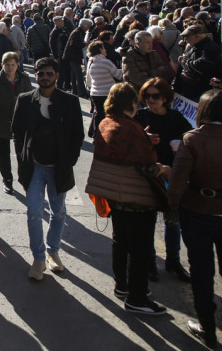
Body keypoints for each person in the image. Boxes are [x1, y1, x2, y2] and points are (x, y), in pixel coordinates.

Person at [86, 83, 169, 316]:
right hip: (137, 197)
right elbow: (146, 167)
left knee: (120, 241)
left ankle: (122, 286)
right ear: (131, 103)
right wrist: (163, 169)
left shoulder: (105, 122)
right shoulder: (131, 128)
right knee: (140, 249)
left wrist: (144, 137)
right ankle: (137, 297)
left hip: (115, 194)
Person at [12, 57, 84, 281]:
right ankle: (39, 257)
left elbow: (77, 135)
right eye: (40, 73)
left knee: (58, 211)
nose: (44, 77)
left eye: (49, 73)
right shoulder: (24, 100)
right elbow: (17, 131)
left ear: (57, 76)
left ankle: (54, 251)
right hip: (34, 167)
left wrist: (68, 161)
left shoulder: (69, 101)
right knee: (33, 212)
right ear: (35, 75)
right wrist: (23, 158)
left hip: (59, 168)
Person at [168, 89, 222, 347]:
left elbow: (177, 183)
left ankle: (207, 328)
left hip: (198, 211)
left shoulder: (193, 139)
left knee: (202, 272)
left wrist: (173, 206)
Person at [133, 78, 193, 283]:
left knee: (173, 219)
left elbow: (188, 137)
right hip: (147, 173)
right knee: (148, 219)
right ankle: (150, 261)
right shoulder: (140, 116)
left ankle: (173, 261)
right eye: (147, 95)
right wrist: (144, 138)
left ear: (165, 98)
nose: (150, 99)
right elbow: (129, 142)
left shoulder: (176, 117)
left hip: (169, 174)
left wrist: (179, 143)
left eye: (155, 96)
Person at [0, 52, 33, 194]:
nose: (10, 68)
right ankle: (7, 179)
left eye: (13, 65)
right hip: (1, 122)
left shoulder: (24, 79)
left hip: (21, 123)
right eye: (7, 65)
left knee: (22, 154)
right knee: (4, 153)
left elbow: (31, 98)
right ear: (2, 65)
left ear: (17, 65)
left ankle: (24, 179)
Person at [86, 40, 122, 138]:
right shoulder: (106, 62)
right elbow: (118, 75)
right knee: (109, 114)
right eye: (103, 48)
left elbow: (88, 79)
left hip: (95, 93)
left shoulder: (91, 62)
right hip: (108, 92)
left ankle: (95, 134)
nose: (105, 50)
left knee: (98, 113)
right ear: (100, 49)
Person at [175, 24, 222, 101]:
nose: (185, 39)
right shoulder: (192, 47)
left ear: (197, 36)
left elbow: (199, 67)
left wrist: (184, 61)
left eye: (188, 36)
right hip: (188, 90)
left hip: (200, 92)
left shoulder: (210, 48)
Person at [123, 31, 167, 97]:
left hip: (157, 93)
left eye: (151, 42)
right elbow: (136, 78)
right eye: (147, 42)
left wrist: (149, 73)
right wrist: (156, 74)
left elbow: (166, 72)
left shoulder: (154, 54)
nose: (151, 45)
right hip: (138, 94)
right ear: (138, 43)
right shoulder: (128, 57)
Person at [62, 18, 92, 98]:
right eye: (88, 26)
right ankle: (81, 92)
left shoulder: (77, 31)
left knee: (74, 74)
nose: (89, 28)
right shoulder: (77, 32)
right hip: (73, 56)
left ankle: (75, 91)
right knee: (78, 74)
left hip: (72, 56)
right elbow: (73, 44)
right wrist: (84, 44)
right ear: (84, 26)